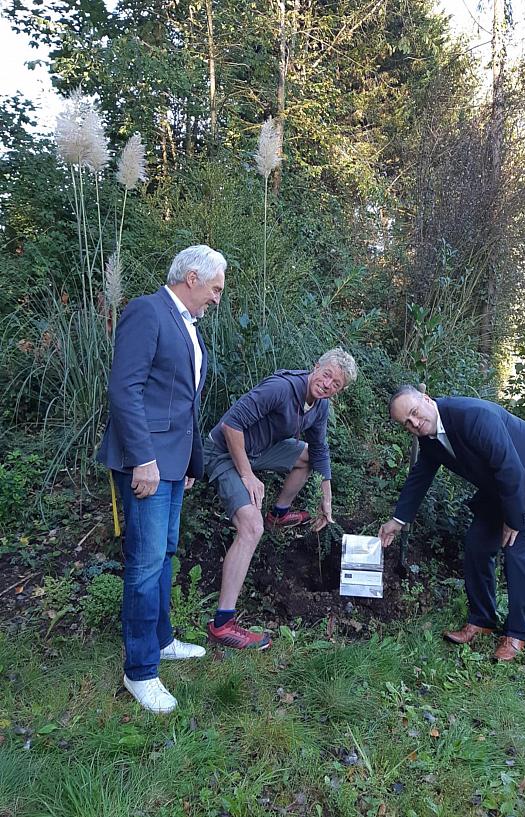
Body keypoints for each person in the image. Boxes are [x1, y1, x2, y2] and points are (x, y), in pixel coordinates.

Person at [97, 245, 227, 713]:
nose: (217, 298)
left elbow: (182, 404)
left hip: (172, 465)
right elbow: (124, 390)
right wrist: (145, 460)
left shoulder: (187, 326)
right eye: (215, 288)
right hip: (147, 463)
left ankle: (162, 640)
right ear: (191, 278)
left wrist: (188, 464)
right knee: (146, 563)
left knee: (165, 555)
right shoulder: (146, 311)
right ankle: (140, 671)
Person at [378, 387, 525, 662]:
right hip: (503, 487)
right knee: (477, 545)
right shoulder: (431, 439)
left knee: (517, 551)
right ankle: (482, 620)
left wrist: (513, 519)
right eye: (406, 423)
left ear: (426, 399)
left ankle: (516, 634)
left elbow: (511, 468)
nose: (413, 423)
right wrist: (397, 521)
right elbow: (420, 476)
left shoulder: (472, 416)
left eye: (414, 413)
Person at [204, 348, 358, 650]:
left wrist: (325, 498)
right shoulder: (281, 389)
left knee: (306, 456)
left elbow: (319, 450)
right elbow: (231, 425)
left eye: (335, 384)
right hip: (224, 452)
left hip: (257, 451)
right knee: (251, 528)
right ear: (315, 367)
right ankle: (222, 624)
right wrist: (247, 475)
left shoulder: (319, 406)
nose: (327, 385)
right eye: (326, 375)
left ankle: (279, 513)